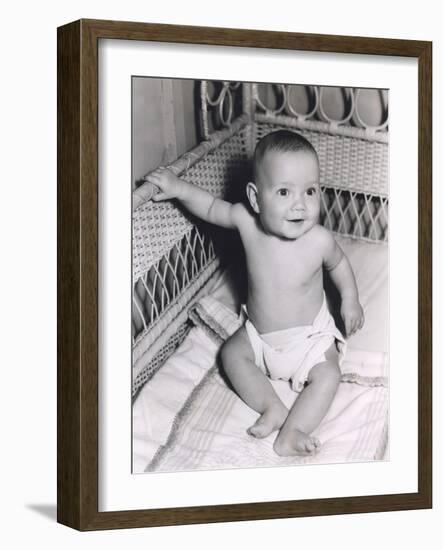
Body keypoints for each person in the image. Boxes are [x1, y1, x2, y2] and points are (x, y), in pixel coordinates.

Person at [146, 130, 364, 456]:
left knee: (329, 373)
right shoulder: (246, 222)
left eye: (310, 191)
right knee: (231, 355)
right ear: (255, 198)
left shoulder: (319, 240)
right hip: (259, 337)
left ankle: (294, 430)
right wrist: (177, 188)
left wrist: (350, 298)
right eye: (284, 192)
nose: (300, 205)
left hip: (310, 340)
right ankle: (272, 406)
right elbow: (209, 206)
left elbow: (340, 266)